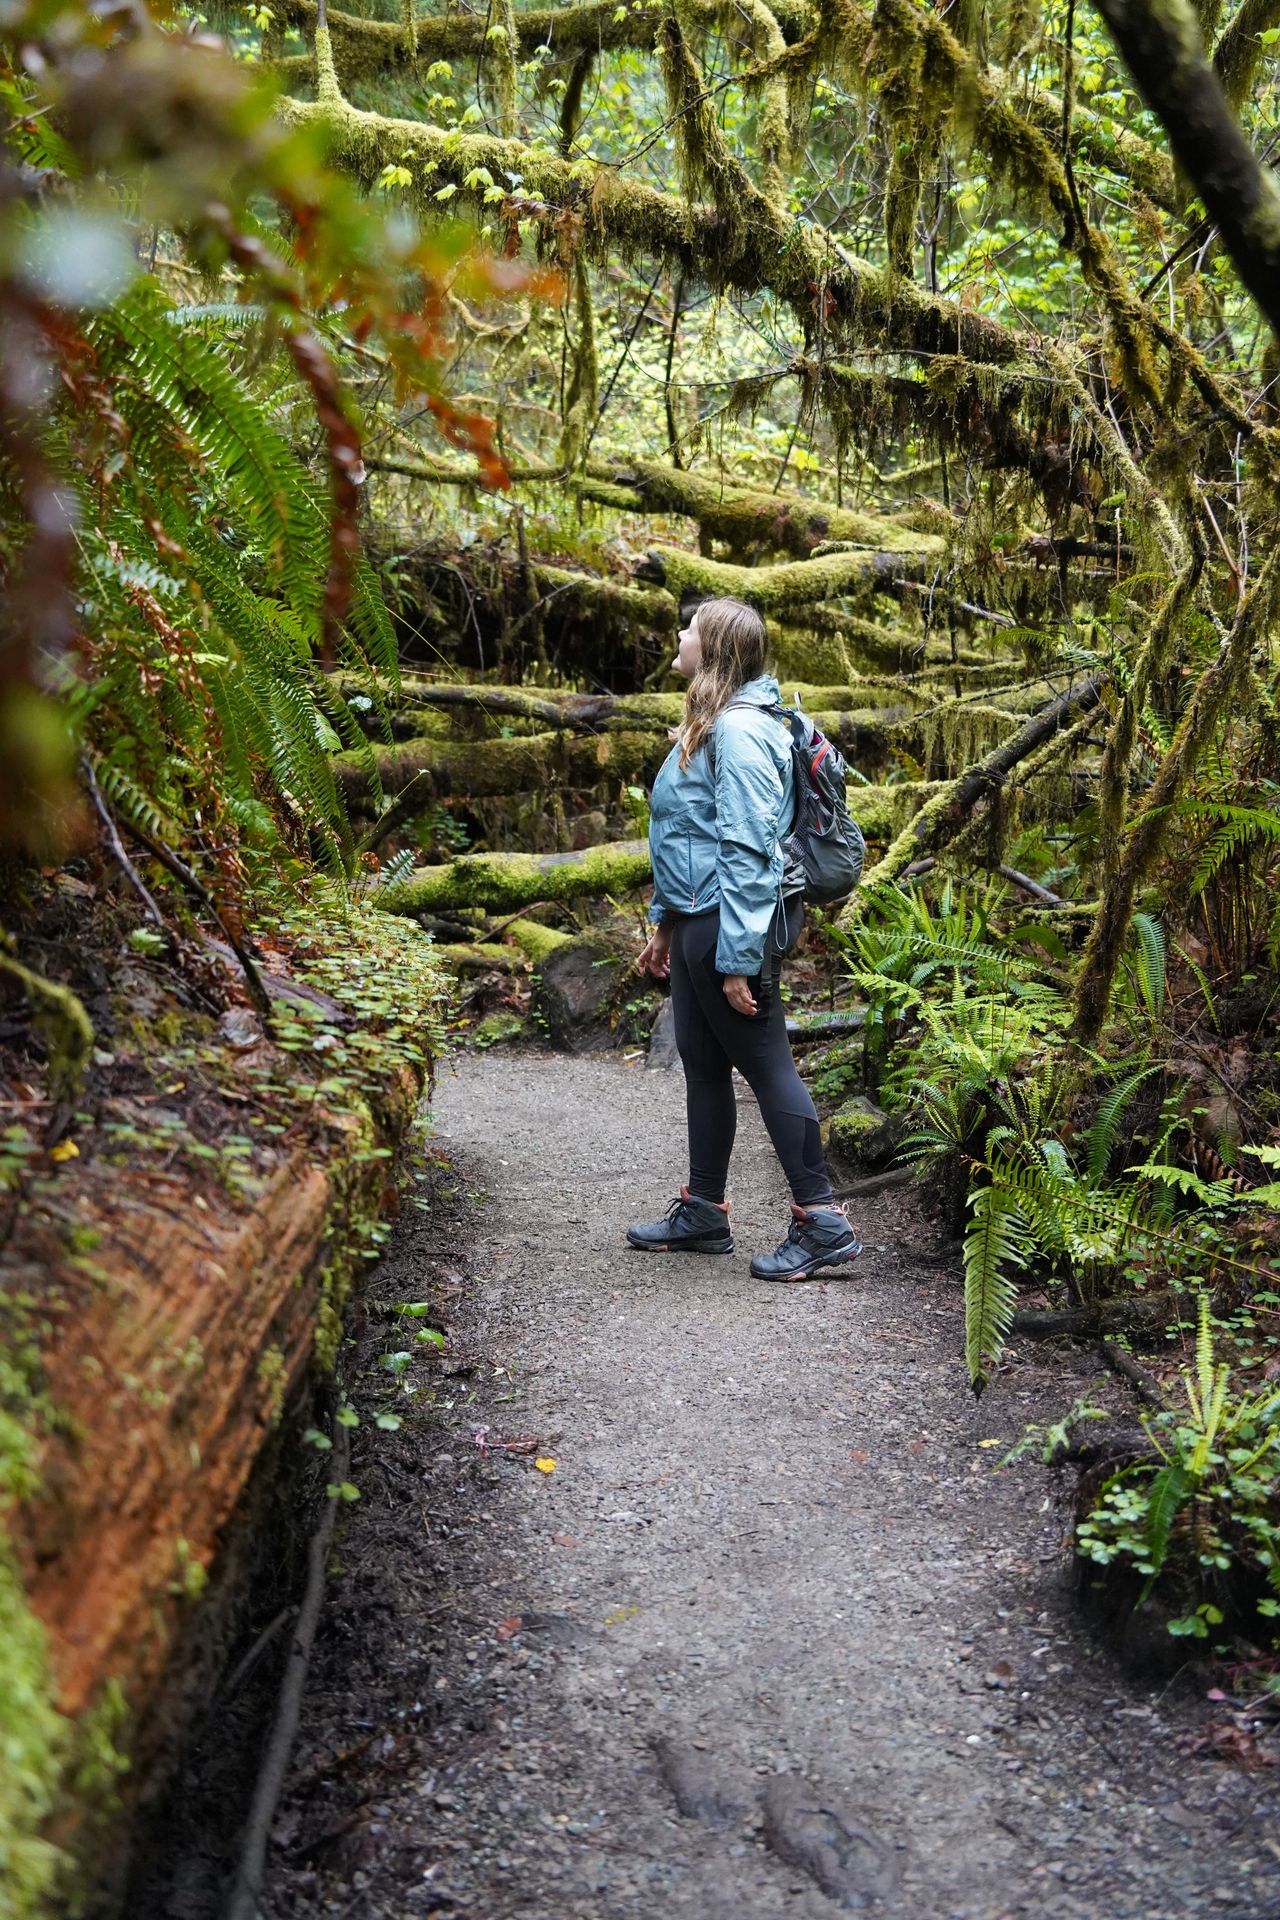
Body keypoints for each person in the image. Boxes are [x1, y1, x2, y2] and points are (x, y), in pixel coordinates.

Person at [626, 595, 861, 1282]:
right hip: (700, 920)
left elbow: (750, 849)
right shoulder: (715, 724)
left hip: (732, 924)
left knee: (766, 1064)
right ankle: (704, 1210)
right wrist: (666, 926)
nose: (679, 633)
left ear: (716, 652)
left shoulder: (742, 732)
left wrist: (736, 958)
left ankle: (822, 1223)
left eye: (691, 630)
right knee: (702, 1062)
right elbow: (689, 836)